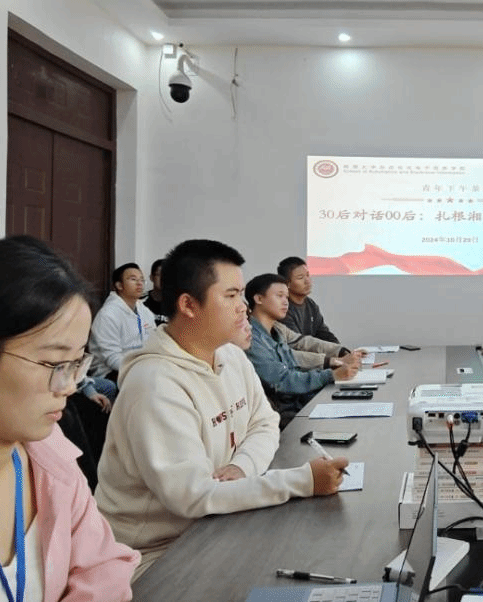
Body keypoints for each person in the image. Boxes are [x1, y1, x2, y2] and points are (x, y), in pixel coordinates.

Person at [95, 239, 348, 579]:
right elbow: (194, 495)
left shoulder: (229, 355)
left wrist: (243, 467)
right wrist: (303, 480)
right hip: (154, 556)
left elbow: (265, 422)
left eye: (241, 295)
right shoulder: (154, 384)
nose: (243, 307)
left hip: (219, 522)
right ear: (188, 304)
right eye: (230, 296)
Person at [0, 236, 138, 599]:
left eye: (77, 363)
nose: (70, 386)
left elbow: (104, 568)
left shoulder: (50, 454)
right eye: (54, 363)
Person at [244, 273, 357, 420]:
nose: (286, 302)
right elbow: (282, 381)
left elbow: (296, 358)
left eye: (286, 297)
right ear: (259, 299)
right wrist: (331, 374)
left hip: (298, 402)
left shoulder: (276, 330)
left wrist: (337, 360)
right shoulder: (250, 339)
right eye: (279, 296)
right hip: (283, 415)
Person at [87, 262, 157, 381]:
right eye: (133, 279)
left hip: (139, 366)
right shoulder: (108, 314)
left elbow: (154, 341)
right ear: (119, 285)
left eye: (142, 280)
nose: (139, 283)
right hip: (111, 372)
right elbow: (112, 358)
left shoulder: (144, 311)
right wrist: (141, 370)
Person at [277, 256, 340, 343]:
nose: (307, 281)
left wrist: (340, 348)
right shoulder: (283, 308)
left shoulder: (310, 304)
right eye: (300, 278)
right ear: (287, 283)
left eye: (307, 275)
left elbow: (324, 333)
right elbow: (298, 343)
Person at [142, 258, 168, 325]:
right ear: (151, 277)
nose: (163, 279)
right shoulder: (140, 301)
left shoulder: (178, 303)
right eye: (159, 275)